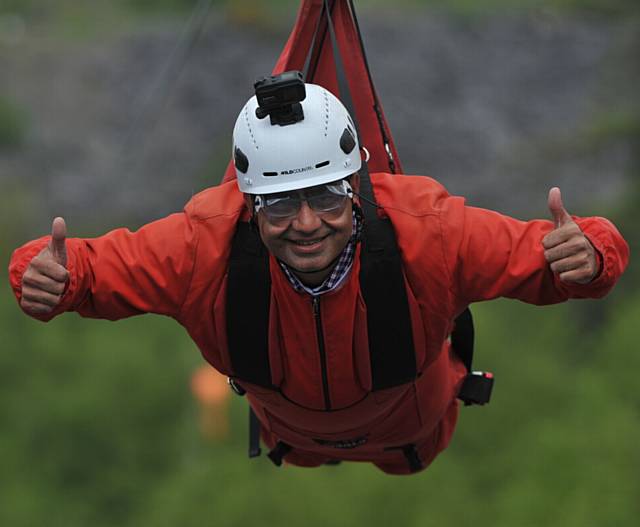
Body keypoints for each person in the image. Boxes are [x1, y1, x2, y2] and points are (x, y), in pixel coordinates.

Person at [8, 79, 629, 475]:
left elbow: (547, 258)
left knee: (408, 449)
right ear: (249, 205)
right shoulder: (206, 247)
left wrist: (592, 256)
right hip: (292, 441)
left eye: (327, 199)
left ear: (356, 190)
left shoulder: (426, 233)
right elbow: (90, 268)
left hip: (414, 437)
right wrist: (45, 277)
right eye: (279, 206)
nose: (306, 224)